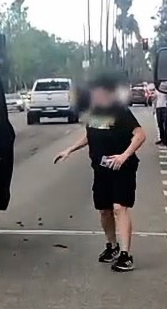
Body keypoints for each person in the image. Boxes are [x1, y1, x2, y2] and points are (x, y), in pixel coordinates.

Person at [54, 74, 146, 272]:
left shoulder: (120, 112)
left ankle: (125, 254)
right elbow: (90, 135)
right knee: (104, 210)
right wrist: (69, 149)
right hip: (100, 168)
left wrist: (124, 156)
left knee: (119, 208)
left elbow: (140, 134)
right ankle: (111, 246)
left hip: (123, 167)